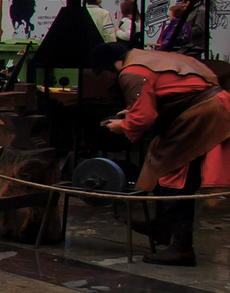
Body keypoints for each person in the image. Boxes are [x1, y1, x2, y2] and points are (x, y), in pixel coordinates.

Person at [93, 41, 230, 266]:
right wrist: (133, 111)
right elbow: (183, 87)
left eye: (105, 74)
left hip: (201, 114)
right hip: (210, 108)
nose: (108, 79)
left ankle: (182, 248)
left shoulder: (130, 72)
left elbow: (144, 118)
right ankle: (163, 226)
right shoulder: (151, 58)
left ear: (112, 66)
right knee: (165, 164)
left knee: (172, 174)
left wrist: (124, 126)